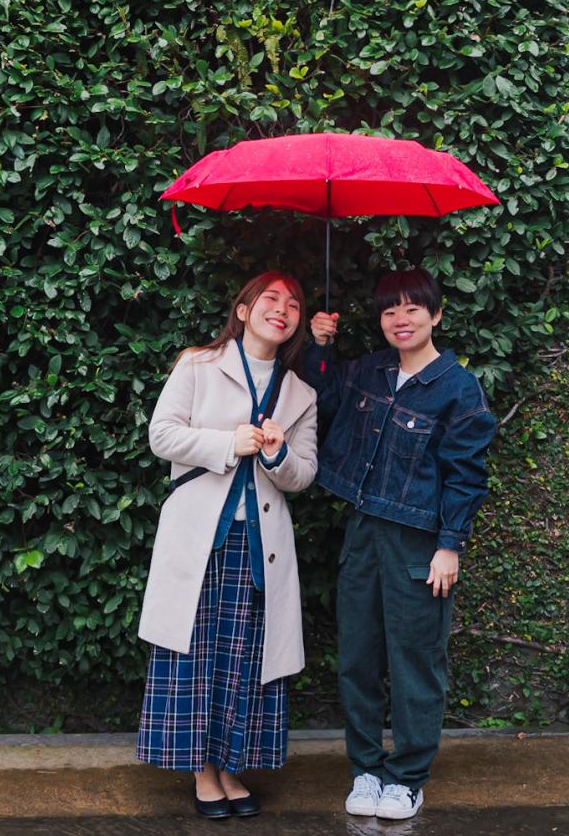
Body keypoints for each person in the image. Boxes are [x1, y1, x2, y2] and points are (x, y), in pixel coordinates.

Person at [302, 268, 496, 821]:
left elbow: (466, 474)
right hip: (363, 532)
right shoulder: (369, 370)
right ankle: (365, 769)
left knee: (415, 663)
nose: (400, 320)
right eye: (390, 311)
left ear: (435, 315)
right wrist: (319, 346)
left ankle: (407, 778)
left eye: (413, 309)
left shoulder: (458, 387)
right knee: (358, 660)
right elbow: (319, 397)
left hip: (418, 543)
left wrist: (450, 544)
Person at [137, 271, 320, 820]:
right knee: (196, 652)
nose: (281, 310)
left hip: (260, 541)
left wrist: (274, 457)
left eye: (292, 303)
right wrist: (227, 442)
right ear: (243, 310)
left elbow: (305, 474)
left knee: (243, 655)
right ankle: (201, 770)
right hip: (198, 534)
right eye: (270, 299)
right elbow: (161, 434)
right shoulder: (198, 364)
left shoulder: (300, 393)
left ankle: (231, 767)